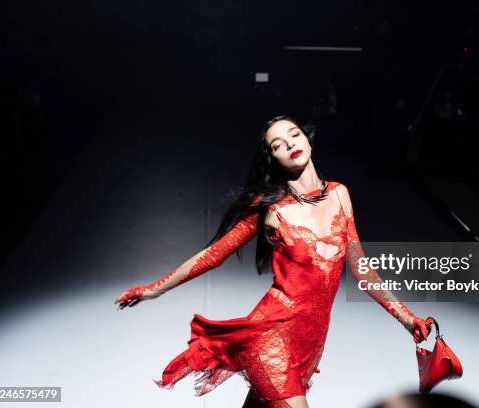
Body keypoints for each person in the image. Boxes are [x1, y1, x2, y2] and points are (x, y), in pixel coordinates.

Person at [114, 115, 431, 408]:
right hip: (271, 336)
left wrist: (408, 319)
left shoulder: (339, 194)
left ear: (307, 140)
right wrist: (153, 289)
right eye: (278, 144)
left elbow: (362, 270)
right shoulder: (271, 207)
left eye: (294, 135)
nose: (290, 144)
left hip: (310, 341)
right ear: (273, 158)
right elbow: (214, 254)